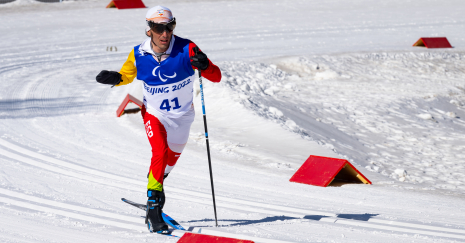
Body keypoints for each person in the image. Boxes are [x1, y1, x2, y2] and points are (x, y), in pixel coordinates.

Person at [95, 5, 221, 234]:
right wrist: (115, 77)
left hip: (183, 117)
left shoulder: (187, 48)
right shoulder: (138, 53)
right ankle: (154, 208)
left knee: (166, 166)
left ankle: (156, 185)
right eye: (158, 28)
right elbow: (126, 75)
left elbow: (216, 76)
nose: (165, 34)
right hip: (155, 114)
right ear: (149, 29)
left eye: (169, 27)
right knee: (160, 152)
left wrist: (206, 66)